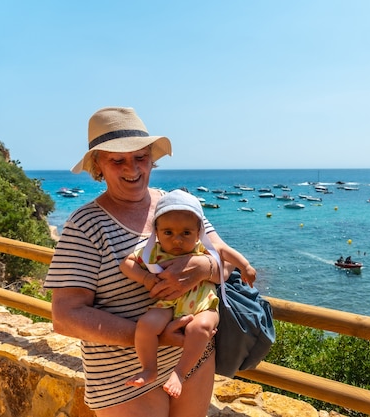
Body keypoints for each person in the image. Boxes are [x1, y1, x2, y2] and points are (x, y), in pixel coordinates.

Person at [44, 107, 241, 417]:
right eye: (118, 160)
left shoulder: (175, 204)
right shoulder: (85, 225)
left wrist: (203, 268)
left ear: (152, 158)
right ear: (98, 165)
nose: (132, 169)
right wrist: (152, 336)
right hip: (123, 379)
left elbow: (226, 262)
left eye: (140, 157)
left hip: (191, 361)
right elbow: (65, 316)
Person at [120, 189, 256, 398]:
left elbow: (224, 252)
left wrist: (245, 266)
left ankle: (180, 373)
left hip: (202, 304)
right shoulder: (154, 251)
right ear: (156, 231)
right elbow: (127, 264)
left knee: (200, 328)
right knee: (146, 325)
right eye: (168, 233)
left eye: (186, 233)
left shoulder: (201, 247)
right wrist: (145, 278)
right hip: (167, 304)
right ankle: (149, 368)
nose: (177, 240)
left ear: (198, 231)